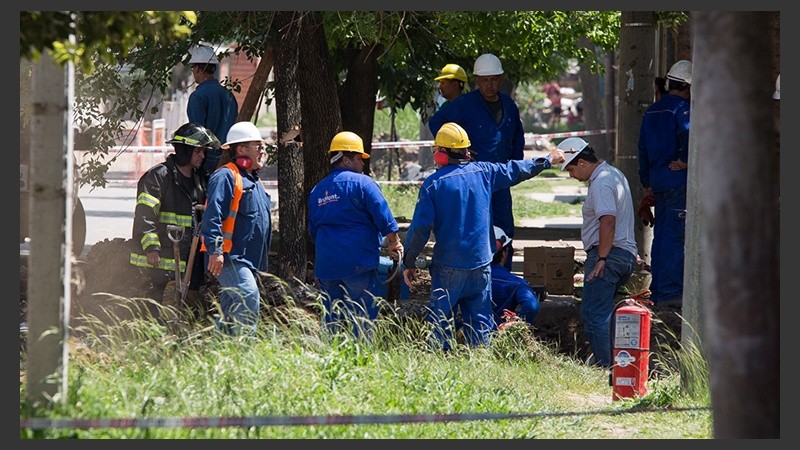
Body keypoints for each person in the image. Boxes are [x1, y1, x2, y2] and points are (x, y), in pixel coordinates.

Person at [402, 122, 563, 351]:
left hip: (449, 267)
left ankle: (437, 366)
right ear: (466, 151)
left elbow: (419, 229)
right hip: (481, 265)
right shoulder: (485, 173)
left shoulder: (433, 185)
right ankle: (481, 365)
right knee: (480, 324)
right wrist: (546, 159)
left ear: (441, 154)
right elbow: (516, 169)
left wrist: (409, 261)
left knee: (439, 323)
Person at [428, 53, 525, 271]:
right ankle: (476, 275)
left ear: (500, 79)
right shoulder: (464, 105)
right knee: (476, 226)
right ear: (477, 81)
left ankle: (502, 276)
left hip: (500, 179)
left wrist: (515, 167)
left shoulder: (508, 105)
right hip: (474, 178)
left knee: (504, 228)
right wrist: (457, 153)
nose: (490, 85)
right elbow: (437, 123)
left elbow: (518, 136)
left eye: (494, 80)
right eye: (484, 80)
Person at [307, 131, 404, 340]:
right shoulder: (364, 184)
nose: (362, 163)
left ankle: (331, 360)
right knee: (361, 318)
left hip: (327, 264)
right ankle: (361, 361)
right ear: (345, 158)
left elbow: (313, 229)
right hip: (357, 263)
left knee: (331, 319)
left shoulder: (318, 191)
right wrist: (394, 243)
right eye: (359, 158)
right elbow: (384, 217)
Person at [557, 137, 638, 368]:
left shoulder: (601, 182)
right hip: (621, 254)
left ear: (582, 162)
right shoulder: (613, 174)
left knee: (594, 315)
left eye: (571, 169)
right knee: (604, 314)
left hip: (609, 256)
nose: (571, 175)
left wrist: (602, 258)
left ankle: (608, 368)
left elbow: (608, 221)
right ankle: (615, 363)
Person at [129, 123, 220, 321]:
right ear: (184, 150)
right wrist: (152, 247)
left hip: (188, 259)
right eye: (197, 151)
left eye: (203, 151)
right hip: (160, 260)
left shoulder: (201, 179)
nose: (202, 156)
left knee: (186, 309)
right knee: (156, 309)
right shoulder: (159, 176)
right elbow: (145, 216)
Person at [200, 121, 273, 336]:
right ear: (241, 149)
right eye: (257, 146)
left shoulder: (253, 180)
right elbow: (212, 216)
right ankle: (244, 352)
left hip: (247, 258)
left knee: (231, 308)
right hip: (231, 257)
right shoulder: (225, 176)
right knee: (248, 297)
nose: (262, 150)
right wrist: (215, 251)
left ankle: (221, 351)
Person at [636, 59, 692, 306]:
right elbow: (689, 134)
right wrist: (686, 160)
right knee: (675, 237)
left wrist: (647, 182)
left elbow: (642, 149)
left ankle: (659, 290)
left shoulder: (653, 110)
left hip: (659, 181)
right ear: (689, 86)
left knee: (661, 236)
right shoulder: (682, 109)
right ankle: (671, 293)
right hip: (677, 181)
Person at [186, 44, 240, 180]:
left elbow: (197, 134)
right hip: (231, 160)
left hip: (207, 163)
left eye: (192, 67)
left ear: (198, 68)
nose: (193, 71)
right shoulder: (229, 96)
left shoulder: (198, 97)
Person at [490, 226, 540, 329]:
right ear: (504, 253)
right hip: (499, 338)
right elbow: (531, 306)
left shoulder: (464, 281)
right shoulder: (517, 283)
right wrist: (514, 325)